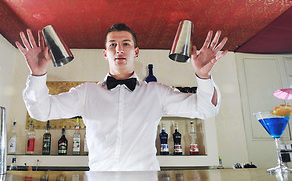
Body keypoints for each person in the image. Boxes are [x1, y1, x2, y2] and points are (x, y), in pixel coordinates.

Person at [16, 23, 228, 171]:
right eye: (112, 44)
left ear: (136, 52)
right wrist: (37, 74)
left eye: (126, 43)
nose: (119, 49)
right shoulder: (86, 93)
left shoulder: (157, 93)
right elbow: (42, 112)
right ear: (105, 52)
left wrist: (203, 75)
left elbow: (205, 109)